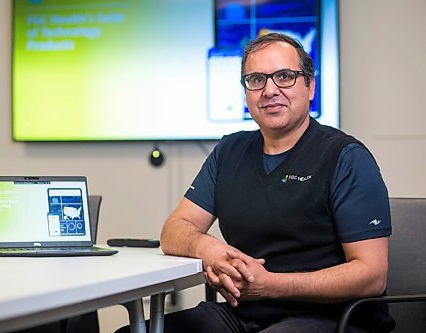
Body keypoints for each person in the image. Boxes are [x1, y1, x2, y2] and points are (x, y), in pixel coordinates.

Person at [115, 32, 395, 333]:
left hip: (332, 318)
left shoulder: (345, 158)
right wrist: (211, 249)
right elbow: (174, 230)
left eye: (284, 77)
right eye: (256, 80)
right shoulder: (229, 152)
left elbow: (371, 275)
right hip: (244, 314)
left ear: (310, 87)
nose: (270, 90)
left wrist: (271, 285)